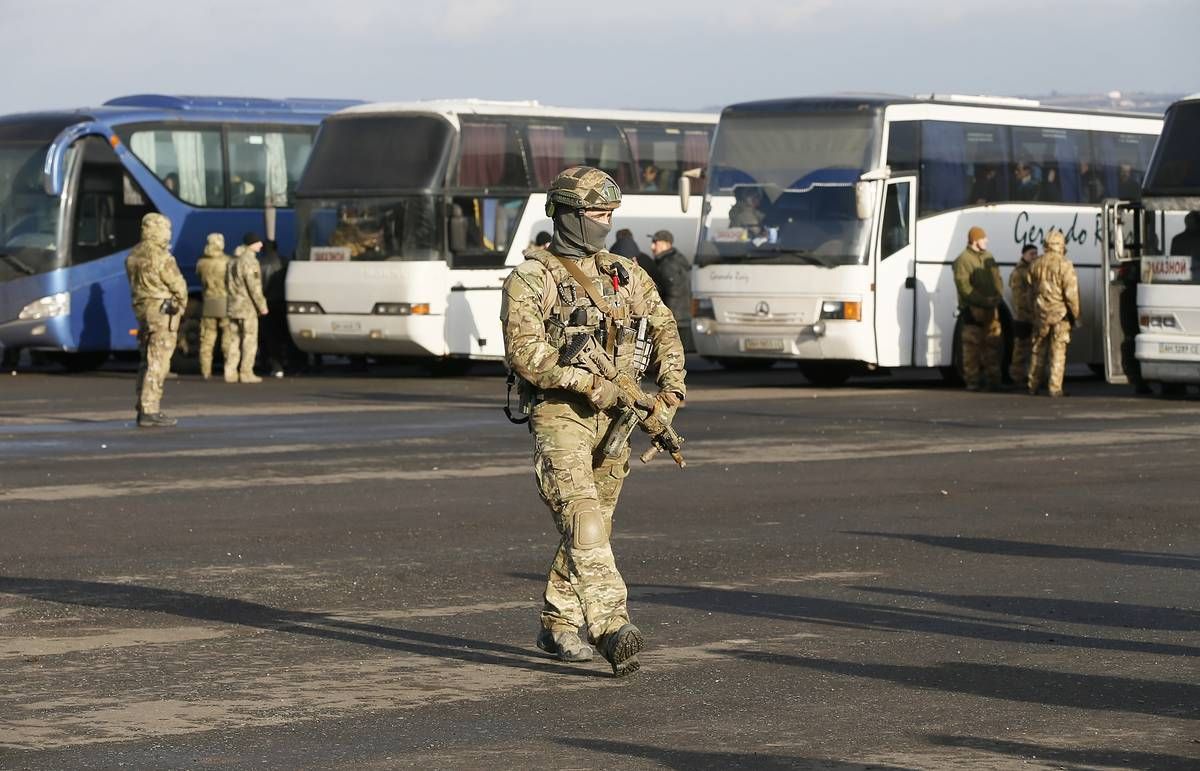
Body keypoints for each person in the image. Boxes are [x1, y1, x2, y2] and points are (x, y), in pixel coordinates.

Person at [500, 165, 686, 677]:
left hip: (618, 420)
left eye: (610, 215)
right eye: (597, 214)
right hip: (562, 415)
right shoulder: (531, 279)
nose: (605, 223)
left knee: (593, 526)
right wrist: (591, 384)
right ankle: (610, 624)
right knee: (581, 516)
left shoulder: (624, 273)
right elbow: (527, 354)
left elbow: (665, 328)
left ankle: (558, 624)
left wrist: (669, 392)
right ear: (566, 214)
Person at [125, 213, 187, 427]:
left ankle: (142, 405)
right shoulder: (162, 257)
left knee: (146, 358)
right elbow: (178, 285)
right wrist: (181, 305)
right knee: (158, 361)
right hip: (162, 313)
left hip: (142, 310)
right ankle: (150, 410)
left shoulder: (133, 255)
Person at [1027, 229, 1080, 397]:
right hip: (1060, 316)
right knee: (1058, 352)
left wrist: (1034, 311)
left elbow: (1030, 291)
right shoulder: (1065, 265)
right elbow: (1071, 295)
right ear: (1061, 245)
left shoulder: (1035, 264)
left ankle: (1032, 386)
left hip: (1040, 315)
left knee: (1037, 350)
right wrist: (1076, 316)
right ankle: (1054, 388)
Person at [953, 226, 1004, 391]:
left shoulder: (989, 257)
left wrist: (997, 298)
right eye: (983, 238)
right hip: (972, 311)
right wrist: (984, 301)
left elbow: (998, 280)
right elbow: (964, 288)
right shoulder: (963, 260)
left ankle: (994, 382)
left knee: (993, 346)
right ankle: (972, 382)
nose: (986, 240)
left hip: (991, 310)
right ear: (975, 240)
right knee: (972, 350)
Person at [224, 233, 269, 384]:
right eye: (258, 242)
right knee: (249, 340)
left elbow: (227, 283)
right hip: (247, 307)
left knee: (233, 340)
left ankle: (230, 372)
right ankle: (246, 372)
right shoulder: (250, 262)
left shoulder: (232, 261)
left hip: (233, 305)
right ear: (251, 244)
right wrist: (262, 306)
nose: (261, 245)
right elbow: (254, 287)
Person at [647, 229, 693, 350]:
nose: (652, 247)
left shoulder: (668, 264)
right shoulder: (675, 259)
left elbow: (674, 290)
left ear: (666, 244)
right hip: (680, 316)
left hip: (674, 318)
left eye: (655, 243)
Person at [195, 233, 231, 380]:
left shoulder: (201, 263)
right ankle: (228, 369)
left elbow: (199, 277)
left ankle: (205, 371)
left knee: (207, 338)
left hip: (208, 302)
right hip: (224, 302)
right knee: (228, 337)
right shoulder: (227, 262)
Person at [1007, 244, 1039, 385]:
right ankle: (1016, 376)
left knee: (1034, 349)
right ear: (1024, 255)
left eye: (1036, 254)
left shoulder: (1034, 270)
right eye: (1031, 254)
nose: (1034, 256)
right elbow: (1019, 298)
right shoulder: (1019, 273)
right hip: (1023, 317)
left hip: (1033, 316)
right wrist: (1028, 312)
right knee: (1020, 349)